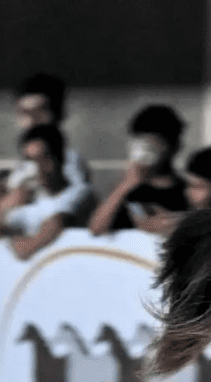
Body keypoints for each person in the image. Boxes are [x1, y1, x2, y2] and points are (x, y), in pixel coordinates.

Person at [88, 104, 188, 236]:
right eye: (140, 141)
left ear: (174, 146)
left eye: (155, 142)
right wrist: (125, 185)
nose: (144, 149)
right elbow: (96, 228)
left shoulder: (187, 191)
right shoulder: (126, 190)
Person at [1, 124, 97, 260]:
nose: (36, 167)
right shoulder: (27, 199)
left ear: (60, 158)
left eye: (43, 159)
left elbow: (58, 222)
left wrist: (24, 243)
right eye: (30, 160)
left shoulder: (81, 193)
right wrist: (6, 204)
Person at [9, 73, 93, 223]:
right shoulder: (22, 166)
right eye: (25, 113)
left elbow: (71, 209)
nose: (32, 121)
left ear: (60, 114)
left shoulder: (68, 161)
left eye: (40, 112)